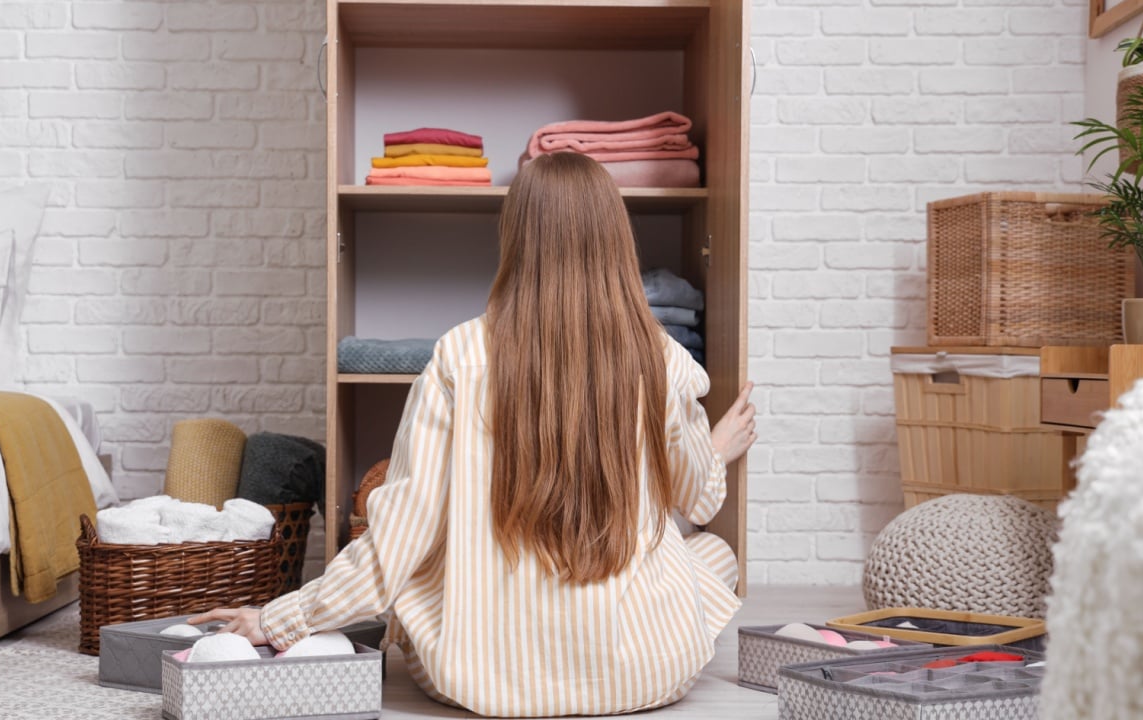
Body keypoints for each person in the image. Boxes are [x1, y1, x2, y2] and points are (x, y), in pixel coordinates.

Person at [191, 152, 758, 716]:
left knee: (420, 576)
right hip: (642, 674)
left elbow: (397, 542)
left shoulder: (459, 355)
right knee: (712, 553)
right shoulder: (660, 358)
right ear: (616, 240)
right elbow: (699, 499)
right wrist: (714, 450)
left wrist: (276, 619)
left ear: (515, 238)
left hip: (479, 679)